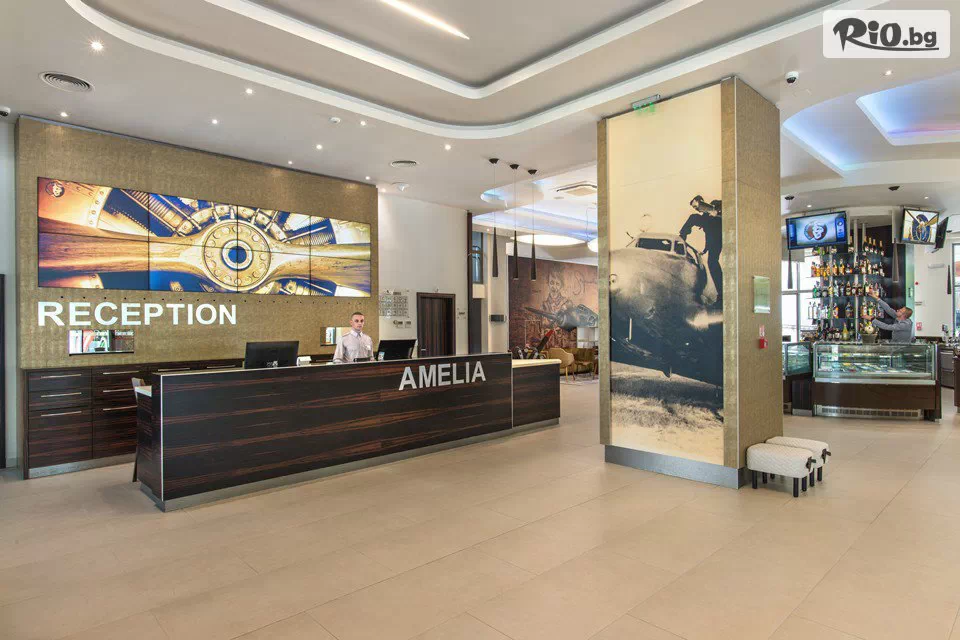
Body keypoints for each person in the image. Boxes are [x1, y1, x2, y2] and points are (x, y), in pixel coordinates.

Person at [679, 195, 722, 309]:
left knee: (712, 262)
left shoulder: (715, 204)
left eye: (697, 206)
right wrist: (706, 248)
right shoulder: (705, 217)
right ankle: (682, 236)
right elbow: (709, 235)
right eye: (695, 208)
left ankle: (721, 295)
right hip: (714, 238)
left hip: (720, 232)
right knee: (693, 217)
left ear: (701, 202)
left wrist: (717, 211)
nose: (697, 209)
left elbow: (727, 206)